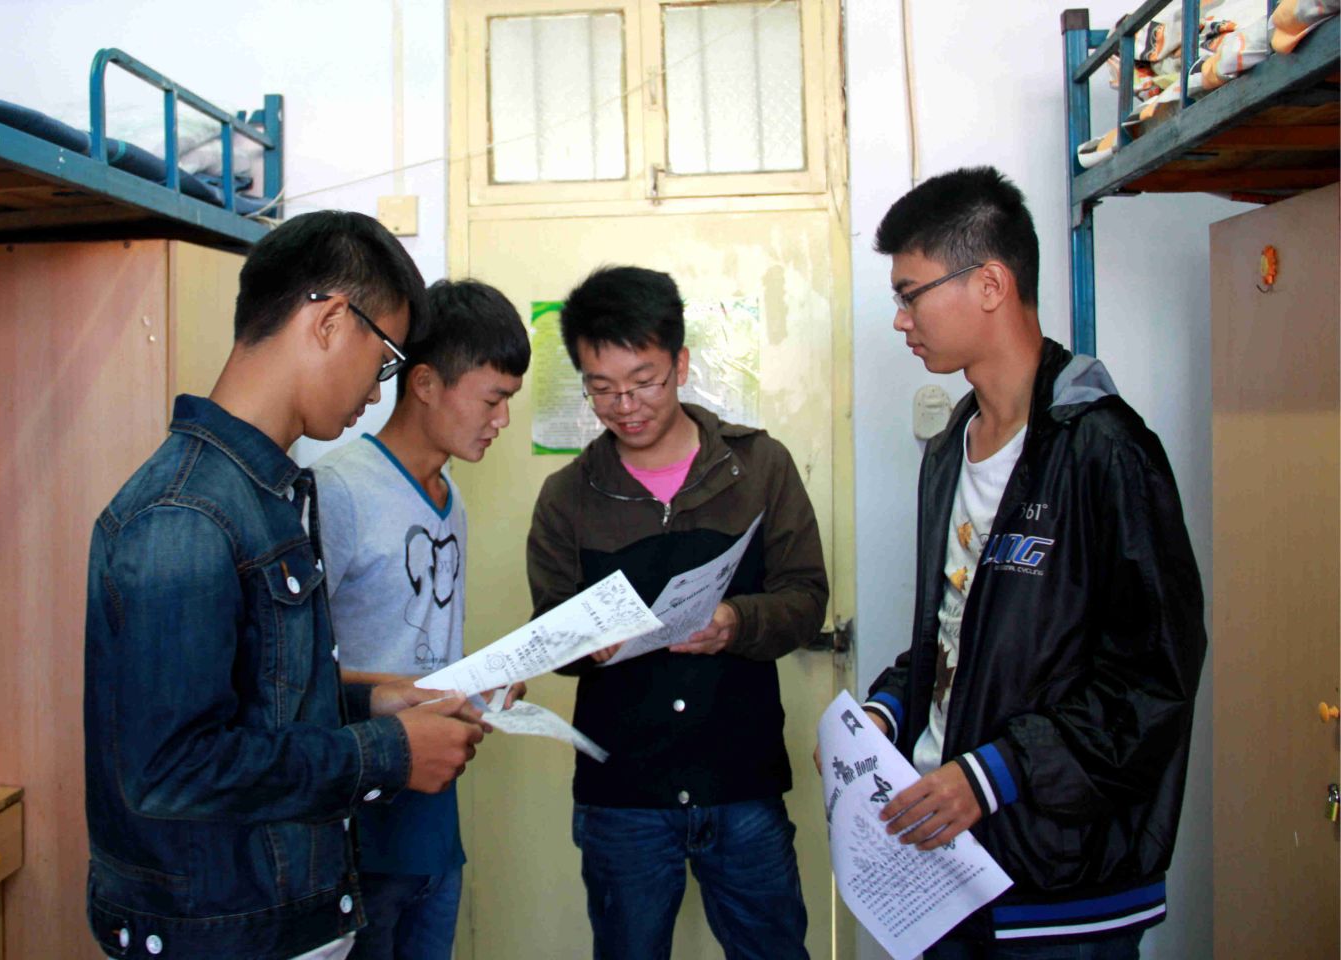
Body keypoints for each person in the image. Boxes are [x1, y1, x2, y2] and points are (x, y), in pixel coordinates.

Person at [84, 211, 487, 960]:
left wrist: (374, 702)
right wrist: (387, 752)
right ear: (331, 321)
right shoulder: (186, 514)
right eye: (386, 358)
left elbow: (257, 705)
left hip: (281, 916)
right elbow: (172, 770)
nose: (379, 391)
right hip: (221, 933)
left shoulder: (268, 493)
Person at [850, 167, 1205, 958]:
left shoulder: (1103, 450)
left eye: (910, 294)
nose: (901, 319)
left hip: (1059, 888)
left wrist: (994, 774)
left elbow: (1152, 682)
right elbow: (960, 633)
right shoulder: (951, 448)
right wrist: (886, 713)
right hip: (947, 869)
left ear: (990, 284)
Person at [527, 265, 828, 960]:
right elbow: (551, 631)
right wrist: (584, 642)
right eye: (602, 388)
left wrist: (736, 622)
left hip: (741, 782)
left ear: (681, 364)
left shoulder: (760, 468)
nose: (625, 405)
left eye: (644, 382)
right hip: (623, 796)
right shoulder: (567, 497)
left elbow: (806, 599)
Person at [313, 278, 531, 960]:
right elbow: (292, 677)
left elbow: (425, 652)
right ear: (427, 382)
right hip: (359, 825)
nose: (502, 420)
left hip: (434, 818)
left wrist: (476, 684)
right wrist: (416, 693)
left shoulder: (450, 499)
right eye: (492, 400)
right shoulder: (339, 490)